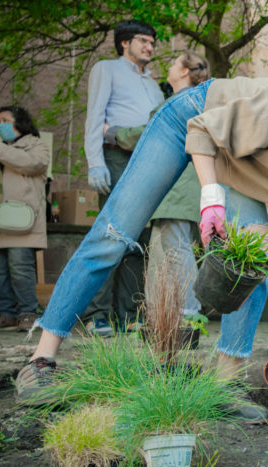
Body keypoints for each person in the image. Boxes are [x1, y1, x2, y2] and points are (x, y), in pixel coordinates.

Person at [16, 77, 268, 422]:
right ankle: (40, 361)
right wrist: (211, 199)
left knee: (257, 255)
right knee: (115, 235)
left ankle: (223, 387)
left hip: (240, 167)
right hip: (192, 121)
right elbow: (204, 131)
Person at [105, 51, 211, 324]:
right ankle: (160, 316)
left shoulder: (179, 103)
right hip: (176, 192)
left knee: (175, 250)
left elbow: (147, 132)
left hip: (178, 191)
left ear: (185, 71)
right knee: (163, 254)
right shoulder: (196, 102)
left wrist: (112, 133)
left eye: (175, 62)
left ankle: (188, 313)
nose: (169, 66)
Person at [82, 19, 165, 335]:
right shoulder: (106, 69)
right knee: (111, 232)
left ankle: (129, 313)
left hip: (146, 160)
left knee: (138, 239)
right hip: (115, 156)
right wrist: (95, 163)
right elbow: (95, 118)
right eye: (143, 40)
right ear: (124, 43)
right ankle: (96, 315)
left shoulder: (154, 85)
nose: (149, 47)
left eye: (152, 42)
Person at [0, 106, 50, 332]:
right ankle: (6, 315)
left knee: (20, 268)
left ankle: (27, 314)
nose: (0, 124)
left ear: (20, 123)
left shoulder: (36, 145)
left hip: (19, 221)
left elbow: (33, 164)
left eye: (5, 120)